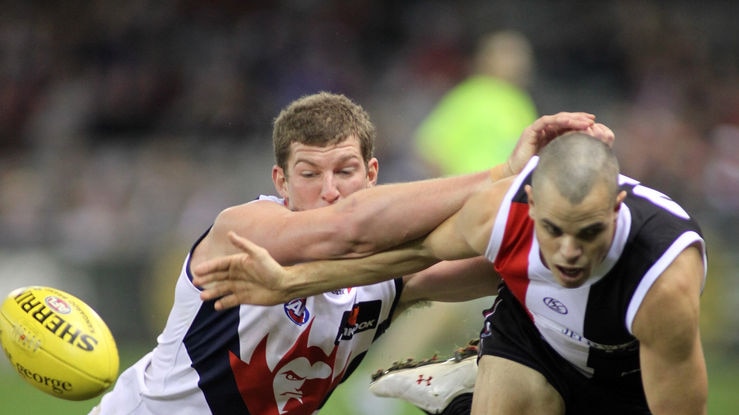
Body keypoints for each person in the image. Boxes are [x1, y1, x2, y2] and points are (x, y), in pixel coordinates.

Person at [91, 91, 604, 414]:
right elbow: (347, 230)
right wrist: (502, 174)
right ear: (281, 181)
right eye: (309, 175)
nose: (330, 190)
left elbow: (500, 265)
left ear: (372, 175)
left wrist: (576, 216)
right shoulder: (241, 229)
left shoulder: (385, 279)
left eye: (345, 171)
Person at [193, 133, 707, 415]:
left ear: (618, 209)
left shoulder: (662, 280)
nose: (569, 253)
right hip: (533, 340)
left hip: (626, 368)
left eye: (589, 233)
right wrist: (292, 284)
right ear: (529, 204)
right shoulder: (499, 213)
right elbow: (413, 256)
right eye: (552, 231)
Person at [414, 30, 538, 177]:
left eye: (520, 54)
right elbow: (429, 149)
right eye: (506, 53)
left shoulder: (522, 102)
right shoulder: (470, 96)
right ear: (486, 59)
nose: (517, 61)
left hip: (506, 193)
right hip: (473, 193)